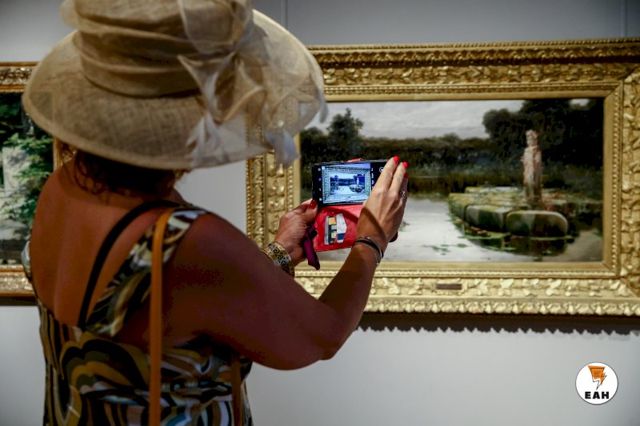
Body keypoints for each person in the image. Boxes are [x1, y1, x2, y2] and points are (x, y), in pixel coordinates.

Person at [22, 0, 408, 424]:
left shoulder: (60, 188)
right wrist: (371, 238)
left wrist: (281, 252)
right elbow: (322, 335)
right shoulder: (186, 240)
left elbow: (170, 304)